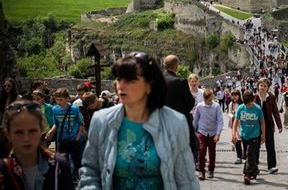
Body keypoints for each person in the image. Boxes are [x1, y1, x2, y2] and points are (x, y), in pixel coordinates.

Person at [79, 52, 199, 189]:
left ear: (149, 85)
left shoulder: (175, 123)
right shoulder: (101, 121)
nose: (121, 86)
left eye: (130, 80)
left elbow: (186, 181)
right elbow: (90, 171)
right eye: (119, 78)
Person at [0, 100, 74, 189]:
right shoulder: (3, 171)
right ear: (8, 134)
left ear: (41, 130)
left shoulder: (59, 167)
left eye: (32, 131)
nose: (26, 138)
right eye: (19, 132)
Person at [163, 55, 198, 164]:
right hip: (178, 122)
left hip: (161, 121)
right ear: (176, 66)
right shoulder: (180, 81)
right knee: (192, 145)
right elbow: (190, 102)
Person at [45, 88, 83, 180]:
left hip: (74, 139)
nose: (58, 102)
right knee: (62, 161)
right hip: (62, 139)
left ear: (67, 99)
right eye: (57, 99)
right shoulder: (55, 109)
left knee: (77, 161)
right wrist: (50, 132)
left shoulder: (75, 109)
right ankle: (67, 179)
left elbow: (81, 123)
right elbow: (56, 124)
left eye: (61, 99)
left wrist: (77, 137)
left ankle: (79, 179)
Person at [232, 90, 265, 185]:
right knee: (248, 155)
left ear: (253, 100)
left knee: (249, 154)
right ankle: (255, 169)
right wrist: (234, 134)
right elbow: (236, 121)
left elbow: (262, 122)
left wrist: (263, 135)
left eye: (249, 104)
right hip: (244, 135)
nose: (248, 106)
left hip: (255, 135)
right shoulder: (241, 108)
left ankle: (247, 175)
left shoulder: (258, 109)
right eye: (246, 104)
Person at [193, 88, 224, 180]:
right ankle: (201, 171)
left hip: (213, 133)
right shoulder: (199, 106)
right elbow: (196, 120)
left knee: (212, 152)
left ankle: (211, 170)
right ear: (204, 99)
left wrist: (218, 134)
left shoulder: (216, 106)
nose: (209, 102)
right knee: (202, 151)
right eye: (207, 100)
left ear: (213, 98)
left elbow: (220, 121)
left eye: (210, 100)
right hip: (202, 132)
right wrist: (193, 131)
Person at [254, 77, 282, 174]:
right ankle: (254, 165)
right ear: (258, 86)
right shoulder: (254, 97)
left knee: (270, 145)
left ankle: (271, 166)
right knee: (255, 145)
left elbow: (275, 112)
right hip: (256, 126)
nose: (262, 87)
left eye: (265, 86)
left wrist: (279, 125)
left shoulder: (271, 97)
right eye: (261, 85)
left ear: (268, 87)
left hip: (268, 125)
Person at [228, 89, 244, 164]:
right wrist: (232, 115)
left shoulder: (243, 104)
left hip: (243, 124)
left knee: (244, 140)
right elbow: (229, 113)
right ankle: (239, 157)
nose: (234, 97)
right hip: (235, 124)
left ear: (239, 96)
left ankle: (245, 156)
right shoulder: (231, 104)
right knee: (237, 141)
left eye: (236, 95)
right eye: (233, 95)